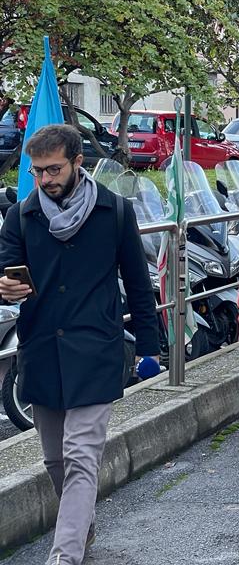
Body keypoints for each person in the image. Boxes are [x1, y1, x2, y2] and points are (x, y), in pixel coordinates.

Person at [0, 124, 161, 565]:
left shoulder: (115, 211)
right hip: (41, 349)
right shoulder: (21, 216)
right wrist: (5, 287)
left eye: (53, 169)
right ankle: (81, 522)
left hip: (95, 349)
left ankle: (64, 554)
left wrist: (149, 346)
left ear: (77, 162)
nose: (45, 179)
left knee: (80, 455)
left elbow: (138, 282)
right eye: (37, 171)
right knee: (55, 460)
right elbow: (6, 272)